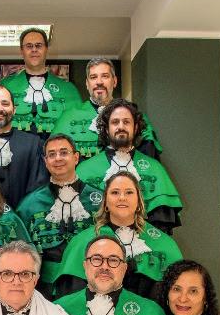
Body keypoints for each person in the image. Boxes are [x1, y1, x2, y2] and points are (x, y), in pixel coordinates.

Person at [54, 172, 182, 299]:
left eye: (129, 192)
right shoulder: (81, 242)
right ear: (105, 202)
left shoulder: (164, 244)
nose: (122, 198)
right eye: (115, 192)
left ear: (139, 201)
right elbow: (71, 300)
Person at [75, 98, 183, 233]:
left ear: (135, 127)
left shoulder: (155, 169)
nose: (121, 127)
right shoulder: (84, 170)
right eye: (115, 122)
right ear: (107, 129)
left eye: (126, 122)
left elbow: (160, 229)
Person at [17, 134, 94, 296]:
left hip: (91, 288)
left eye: (64, 152)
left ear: (76, 157)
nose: (58, 158)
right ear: (45, 162)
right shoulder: (29, 205)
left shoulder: (99, 201)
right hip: (44, 292)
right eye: (52, 154)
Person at [52, 58, 162, 160]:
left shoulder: (133, 116)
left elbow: (147, 161)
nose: (99, 82)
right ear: (87, 84)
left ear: (114, 81)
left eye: (105, 76)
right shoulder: (68, 117)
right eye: (93, 77)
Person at [0, 28, 81, 141]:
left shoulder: (68, 90)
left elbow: (77, 128)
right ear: (21, 51)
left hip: (56, 150)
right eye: (29, 46)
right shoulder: (5, 86)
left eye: (38, 45)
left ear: (46, 49)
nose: (34, 49)